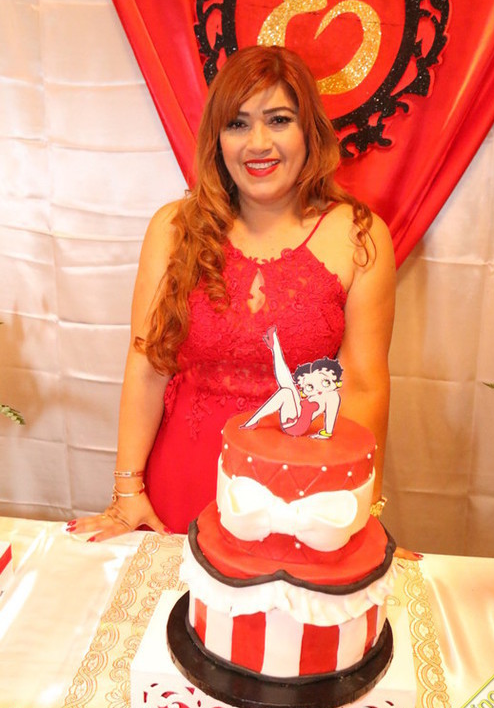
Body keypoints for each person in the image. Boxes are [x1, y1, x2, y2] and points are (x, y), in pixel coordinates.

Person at [68, 44, 398, 544]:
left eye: (279, 120)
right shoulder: (174, 229)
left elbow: (363, 388)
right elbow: (147, 364)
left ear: (309, 130)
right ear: (217, 138)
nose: (258, 143)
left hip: (300, 497)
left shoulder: (360, 236)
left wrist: (356, 510)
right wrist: (127, 491)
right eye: (237, 124)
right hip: (180, 483)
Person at [241, 325, 342, 438]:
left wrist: (326, 433)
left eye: (326, 382)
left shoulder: (332, 396)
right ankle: (275, 348)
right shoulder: (317, 395)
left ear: (336, 382)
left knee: (286, 392)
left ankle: (254, 420)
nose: (319, 387)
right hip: (294, 417)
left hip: (295, 427)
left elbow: (331, 413)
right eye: (311, 386)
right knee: (287, 384)